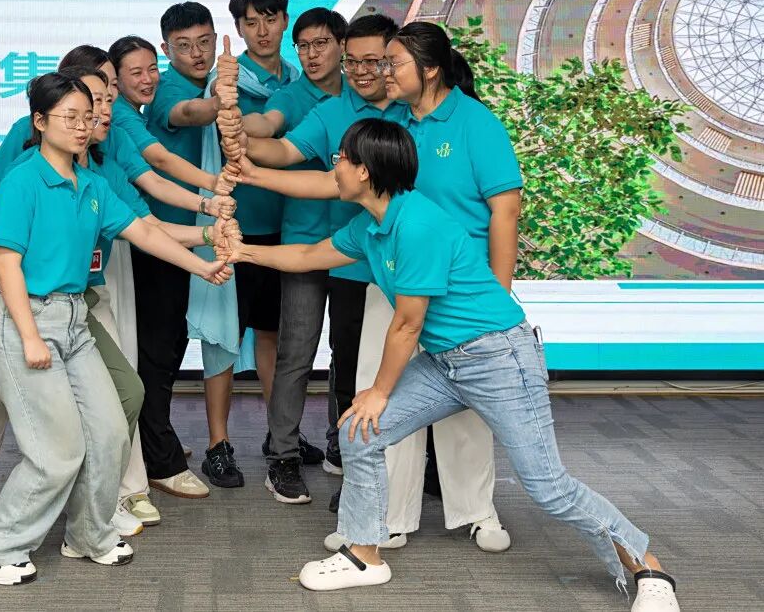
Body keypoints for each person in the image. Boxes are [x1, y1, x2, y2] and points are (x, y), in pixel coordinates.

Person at [218, 119, 680, 612]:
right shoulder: (372, 225)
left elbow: (407, 324)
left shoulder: (417, 224)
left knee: (548, 487)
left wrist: (378, 391)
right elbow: (311, 254)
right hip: (446, 362)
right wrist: (244, 251)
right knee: (360, 433)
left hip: (500, 358)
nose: (335, 167)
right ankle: (364, 555)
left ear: (365, 171)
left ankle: (650, 569)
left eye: (342, 159)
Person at [224, 16, 512, 552]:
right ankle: (388, 515)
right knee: (381, 397)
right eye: (372, 62)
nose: (378, 72)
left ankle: (478, 512)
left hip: (462, 287)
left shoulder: (473, 121)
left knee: (467, 403)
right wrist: (250, 167)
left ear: (425, 69)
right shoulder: (389, 124)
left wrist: (499, 291)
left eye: (389, 62)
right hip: (392, 277)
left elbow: (505, 210)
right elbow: (332, 181)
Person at [0, 66, 238, 533]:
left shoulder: (93, 184)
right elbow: (4, 263)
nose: (85, 124)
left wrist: (203, 265)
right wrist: (27, 336)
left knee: (112, 426)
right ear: (40, 121)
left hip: (74, 319)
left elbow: (144, 232)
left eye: (90, 115)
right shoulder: (21, 180)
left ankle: (89, 533)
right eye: (72, 116)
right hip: (26, 318)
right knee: (58, 449)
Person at [213, 7, 349, 495]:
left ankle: (342, 443)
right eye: (304, 46)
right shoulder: (292, 96)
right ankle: (283, 455)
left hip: (358, 247)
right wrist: (234, 120)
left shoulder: (366, 99)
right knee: (296, 352)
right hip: (302, 242)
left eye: (322, 44)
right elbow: (268, 127)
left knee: (350, 353)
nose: (312, 54)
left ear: (342, 46)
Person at [108, 32, 236, 498]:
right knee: (153, 355)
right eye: (133, 73)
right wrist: (214, 190)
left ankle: (152, 442)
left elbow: (154, 178)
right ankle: (158, 458)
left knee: (156, 352)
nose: (147, 79)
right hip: (134, 250)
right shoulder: (120, 118)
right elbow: (159, 164)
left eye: (151, 70)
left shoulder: (126, 117)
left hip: (150, 240)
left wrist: (208, 203)